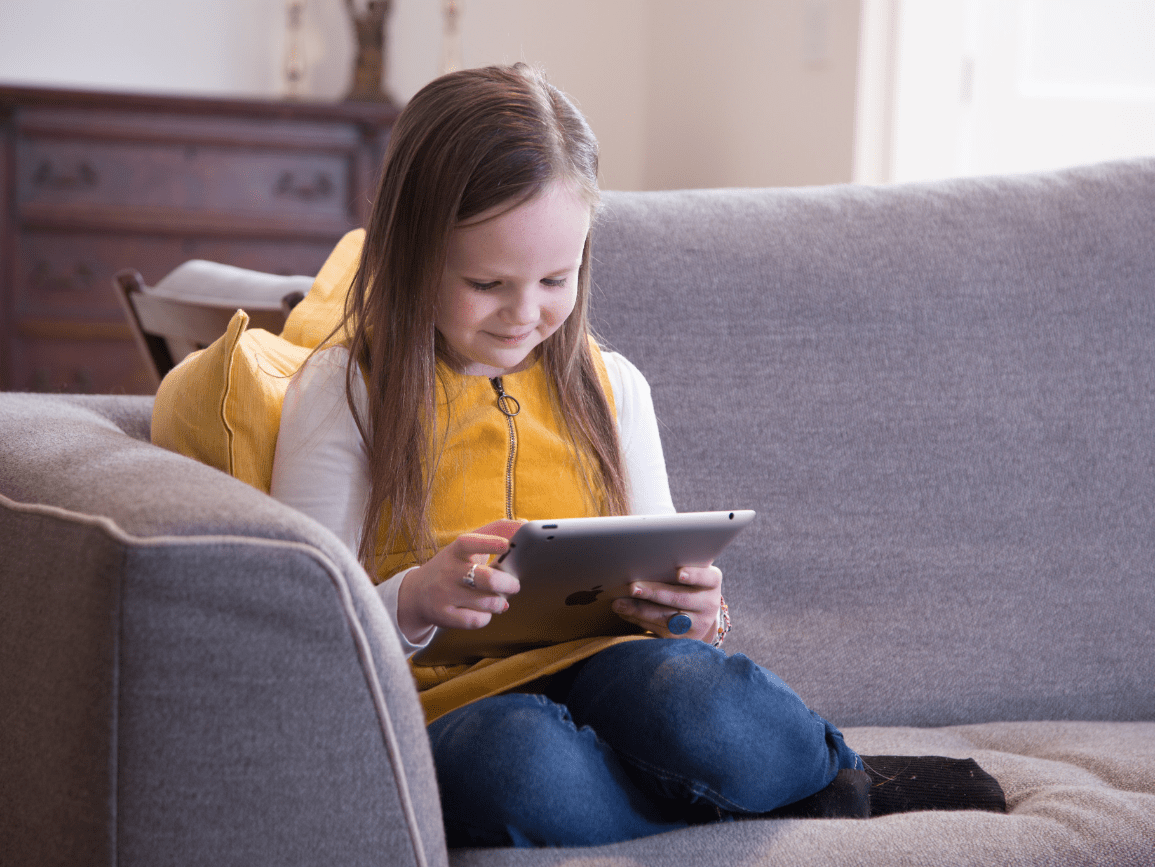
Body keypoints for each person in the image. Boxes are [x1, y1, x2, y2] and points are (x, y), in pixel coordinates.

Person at [270, 63, 1005, 847]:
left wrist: (696, 614)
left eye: (555, 278)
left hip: (613, 672)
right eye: (486, 282)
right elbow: (293, 624)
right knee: (517, 764)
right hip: (449, 706)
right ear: (411, 250)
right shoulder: (347, 388)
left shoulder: (610, 384)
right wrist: (414, 598)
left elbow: (666, 594)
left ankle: (812, 770)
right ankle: (804, 795)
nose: (524, 313)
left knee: (701, 703)